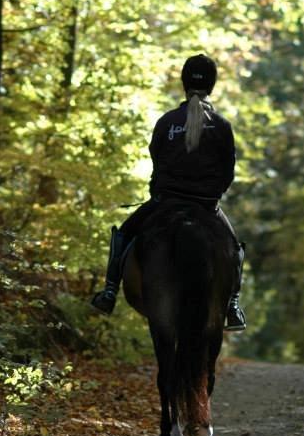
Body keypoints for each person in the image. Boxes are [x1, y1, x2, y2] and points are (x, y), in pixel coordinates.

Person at [91, 53, 246, 331]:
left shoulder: (167, 121)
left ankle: (109, 291)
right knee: (233, 248)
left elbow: (157, 160)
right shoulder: (222, 126)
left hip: (165, 202)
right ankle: (233, 305)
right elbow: (228, 171)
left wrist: (161, 191)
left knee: (125, 233)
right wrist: (211, 196)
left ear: (183, 83)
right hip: (206, 205)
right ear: (212, 85)